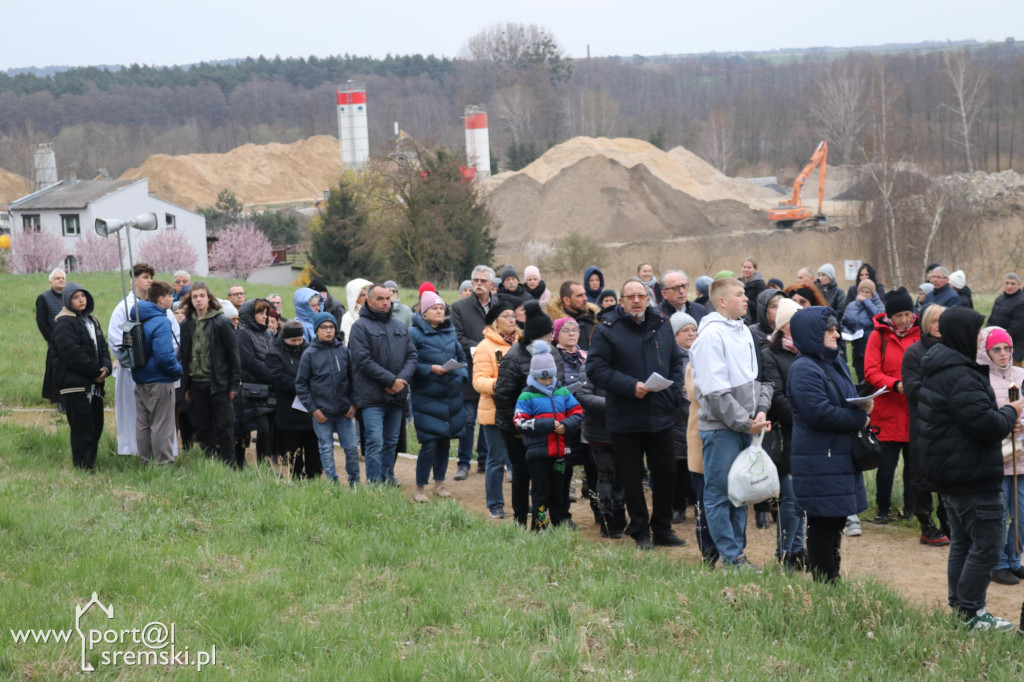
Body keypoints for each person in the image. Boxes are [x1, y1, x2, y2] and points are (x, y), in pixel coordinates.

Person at [918, 306, 1022, 631]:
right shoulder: (961, 375)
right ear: (963, 334)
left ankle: (961, 608)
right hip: (972, 474)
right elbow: (985, 425)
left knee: (963, 544)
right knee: (988, 547)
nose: (981, 338)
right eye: (977, 332)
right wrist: (1010, 412)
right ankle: (971, 613)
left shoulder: (944, 367)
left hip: (953, 474)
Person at [587, 279, 687, 549]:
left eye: (641, 295)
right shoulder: (607, 329)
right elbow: (595, 369)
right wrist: (630, 387)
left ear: (648, 298)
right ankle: (640, 530)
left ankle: (663, 528)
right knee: (631, 479)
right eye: (630, 296)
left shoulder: (662, 323)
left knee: (666, 474)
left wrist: (674, 393)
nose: (636, 301)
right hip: (626, 416)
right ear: (621, 301)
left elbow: (676, 362)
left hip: (661, 414)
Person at [690, 277, 773, 567]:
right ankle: (730, 556)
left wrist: (761, 410)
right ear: (722, 301)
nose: (746, 298)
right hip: (722, 429)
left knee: (741, 493)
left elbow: (758, 378)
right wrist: (743, 422)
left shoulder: (744, 332)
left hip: (745, 426)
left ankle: (738, 552)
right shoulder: (711, 336)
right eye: (739, 295)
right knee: (719, 494)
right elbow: (714, 393)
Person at [786, 306, 872, 583]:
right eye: (830, 329)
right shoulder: (804, 369)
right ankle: (825, 584)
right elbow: (819, 412)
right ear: (813, 334)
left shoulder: (833, 362)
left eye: (836, 328)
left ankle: (831, 578)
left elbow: (845, 397)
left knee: (834, 521)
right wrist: (859, 418)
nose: (837, 333)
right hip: (818, 459)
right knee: (823, 523)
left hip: (835, 456)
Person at [493, 301, 564, 527]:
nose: (552, 338)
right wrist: (518, 429)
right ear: (534, 337)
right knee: (522, 474)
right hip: (517, 428)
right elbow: (503, 397)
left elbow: (560, 390)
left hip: (547, 427)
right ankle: (521, 519)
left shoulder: (554, 354)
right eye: (547, 335)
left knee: (547, 477)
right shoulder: (514, 357)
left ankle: (547, 520)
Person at [348, 283, 418, 485]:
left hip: (396, 395)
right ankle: (374, 482)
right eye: (380, 299)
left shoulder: (399, 326)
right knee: (374, 442)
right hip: (371, 397)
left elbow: (412, 355)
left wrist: (400, 381)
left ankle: (388, 477)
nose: (386, 302)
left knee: (391, 442)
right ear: (368, 301)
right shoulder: (360, 327)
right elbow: (362, 360)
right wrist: (390, 380)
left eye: (388, 298)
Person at [108, 262, 179, 457]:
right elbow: (116, 340)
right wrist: (136, 358)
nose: (149, 281)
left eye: (151, 277)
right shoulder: (124, 308)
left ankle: (154, 457)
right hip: (134, 371)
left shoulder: (165, 310)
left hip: (156, 371)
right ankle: (139, 453)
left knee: (159, 420)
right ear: (134, 282)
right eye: (145, 277)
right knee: (140, 418)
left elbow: (175, 338)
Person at [864, 287, 921, 526]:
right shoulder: (878, 336)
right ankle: (883, 509)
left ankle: (911, 508)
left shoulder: (920, 336)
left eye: (908, 314)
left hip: (914, 411)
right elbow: (871, 371)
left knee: (913, 466)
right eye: (899, 316)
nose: (904, 319)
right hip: (887, 410)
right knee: (886, 466)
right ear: (890, 316)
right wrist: (894, 384)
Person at [514, 341, 584, 530]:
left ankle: (560, 522)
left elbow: (577, 413)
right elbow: (519, 422)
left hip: (560, 451)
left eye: (550, 377)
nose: (547, 381)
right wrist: (547, 425)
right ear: (534, 376)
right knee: (540, 491)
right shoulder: (526, 396)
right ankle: (540, 525)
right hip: (538, 453)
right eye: (542, 378)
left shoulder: (562, 392)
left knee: (559, 490)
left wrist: (566, 425)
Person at [761, 298, 809, 569]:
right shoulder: (770, 354)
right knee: (790, 496)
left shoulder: (808, 350)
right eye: (795, 321)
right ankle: (785, 553)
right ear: (784, 326)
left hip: (807, 432)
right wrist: (805, 417)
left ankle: (799, 550)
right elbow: (776, 396)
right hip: (787, 432)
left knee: (802, 497)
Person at [975, 327, 1024, 586]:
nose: (1003, 353)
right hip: (997, 457)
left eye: (1006, 348)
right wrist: (1005, 423)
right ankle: (999, 563)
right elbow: (981, 415)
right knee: (1000, 511)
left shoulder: (1021, 375)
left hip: (1022, 456)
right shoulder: (982, 378)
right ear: (987, 352)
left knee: (1022, 513)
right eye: (997, 349)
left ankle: (1014, 558)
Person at [409, 291, 468, 501]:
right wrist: (430, 369)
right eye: (434, 308)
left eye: (441, 308)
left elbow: (462, 358)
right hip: (426, 396)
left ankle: (440, 484)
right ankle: (419, 488)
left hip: (450, 395)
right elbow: (410, 363)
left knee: (445, 441)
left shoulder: (450, 332)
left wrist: (460, 375)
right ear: (424, 312)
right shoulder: (413, 334)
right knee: (430, 443)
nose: (439, 311)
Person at [901, 304, 951, 546]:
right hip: (923, 422)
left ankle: (947, 517)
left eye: (943, 320)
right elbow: (912, 387)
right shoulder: (914, 352)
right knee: (921, 474)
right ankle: (925, 522)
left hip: (950, 425)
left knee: (948, 473)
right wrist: (945, 394)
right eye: (935, 321)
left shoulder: (954, 349)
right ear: (926, 324)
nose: (939, 326)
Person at [179, 282, 241, 465]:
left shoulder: (221, 322)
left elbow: (233, 355)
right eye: (195, 297)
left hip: (219, 383)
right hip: (196, 383)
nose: (198, 300)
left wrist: (234, 384)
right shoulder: (187, 324)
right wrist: (186, 385)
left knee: (224, 426)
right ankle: (210, 462)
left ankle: (230, 465)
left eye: (201, 296)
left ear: (209, 298)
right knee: (202, 426)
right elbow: (184, 354)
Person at [51, 283, 112, 470]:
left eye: (83, 296)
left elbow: (102, 346)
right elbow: (72, 354)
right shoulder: (63, 323)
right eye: (76, 297)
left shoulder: (92, 321)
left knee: (96, 425)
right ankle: (83, 466)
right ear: (68, 300)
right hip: (75, 385)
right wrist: (95, 372)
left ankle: (90, 463)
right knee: (82, 428)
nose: (81, 300)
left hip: (94, 384)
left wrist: (106, 368)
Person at [296, 312, 360, 484]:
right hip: (321, 413)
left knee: (352, 448)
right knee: (326, 448)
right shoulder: (309, 353)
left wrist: (353, 404)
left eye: (331, 327)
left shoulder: (344, 351)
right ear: (316, 330)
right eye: (324, 327)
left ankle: (354, 481)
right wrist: (313, 409)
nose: (328, 331)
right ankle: (333, 482)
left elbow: (355, 380)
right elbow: (301, 384)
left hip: (344, 412)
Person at [451, 265, 497, 480]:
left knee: (488, 419)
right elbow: (457, 337)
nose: (477, 284)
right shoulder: (459, 307)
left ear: (491, 285)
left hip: (493, 372)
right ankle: (463, 463)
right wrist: (482, 349)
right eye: (475, 280)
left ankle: (485, 461)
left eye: (482, 280)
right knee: (468, 420)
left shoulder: (500, 306)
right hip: (470, 370)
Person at [472, 301, 517, 518]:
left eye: (514, 316)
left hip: (521, 411)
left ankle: (519, 503)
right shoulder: (485, 347)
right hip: (495, 412)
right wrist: (499, 386)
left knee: (521, 460)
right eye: (507, 316)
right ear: (495, 321)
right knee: (497, 459)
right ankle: (495, 504)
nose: (512, 320)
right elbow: (478, 380)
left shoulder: (522, 344)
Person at [130, 281, 183, 465]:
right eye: (170, 296)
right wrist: (178, 371)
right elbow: (164, 356)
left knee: (143, 424)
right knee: (162, 424)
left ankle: (146, 463)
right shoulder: (161, 321)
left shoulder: (137, 318)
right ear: (161, 300)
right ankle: (163, 465)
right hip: (160, 380)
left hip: (140, 377)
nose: (172, 299)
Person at [553, 315, 599, 526]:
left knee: (594, 468)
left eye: (575, 330)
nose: (572, 333)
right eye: (566, 330)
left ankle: (601, 513)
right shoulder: (554, 357)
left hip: (589, 418)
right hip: (566, 421)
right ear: (557, 335)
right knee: (565, 471)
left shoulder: (586, 355)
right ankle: (563, 516)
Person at [266, 320, 322, 480]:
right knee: (293, 446)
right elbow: (278, 379)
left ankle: (315, 475)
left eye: (299, 340)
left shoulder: (309, 350)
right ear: (285, 338)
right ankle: (296, 475)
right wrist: (302, 386)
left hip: (309, 408)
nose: (297, 343)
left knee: (312, 443)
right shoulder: (274, 354)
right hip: (288, 408)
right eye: (293, 341)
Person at [235, 299, 276, 465]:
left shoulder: (267, 333)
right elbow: (249, 361)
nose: (265, 316)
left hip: (269, 388)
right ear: (250, 314)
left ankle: (264, 467)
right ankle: (242, 464)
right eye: (261, 312)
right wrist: (271, 374)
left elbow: (273, 357)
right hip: (250, 389)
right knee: (259, 429)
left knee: (269, 431)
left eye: (266, 313)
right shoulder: (242, 333)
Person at [670, 311, 698, 525]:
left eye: (693, 330)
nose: (691, 334)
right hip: (677, 417)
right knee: (678, 465)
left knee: (698, 464)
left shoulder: (702, 353)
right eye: (685, 331)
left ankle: (698, 504)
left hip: (698, 415)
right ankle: (677, 506)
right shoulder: (671, 357)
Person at [841, 278, 885, 383]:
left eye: (867, 292)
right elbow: (843, 323)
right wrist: (848, 333)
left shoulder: (879, 305)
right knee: (861, 379)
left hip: (873, 348)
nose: (864, 294)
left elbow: (879, 318)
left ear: (873, 294)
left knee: (873, 379)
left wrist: (866, 302)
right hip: (857, 349)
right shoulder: (851, 306)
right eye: (862, 291)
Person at [36, 267, 66, 405]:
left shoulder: (70, 296)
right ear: (50, 282)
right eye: (57, 278)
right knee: (55, 370)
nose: (61, 280)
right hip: (54, 342)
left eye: (63, 278)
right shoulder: (43, 298)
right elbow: (42, 323)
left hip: (71, 341)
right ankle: (57, 399)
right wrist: (52, 340)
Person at [545, 281, 600, 351]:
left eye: (584, 294)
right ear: (566, 300)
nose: (585, 298)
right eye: (579, 295)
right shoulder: (554, 327)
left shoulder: (595, 319)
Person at [988, 274, 1024, 368]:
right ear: (1003, 284)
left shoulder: (1021, 302)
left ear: (1019, 285)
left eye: (1013, 283)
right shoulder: (999, 299)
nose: (1009, 286)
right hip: (995, 345)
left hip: (1014, 349)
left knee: (1014, 379)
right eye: (1007, 283)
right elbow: (991, 320)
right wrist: (988, 333)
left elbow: (1017, 329)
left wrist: (997, 338)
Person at [341, 278, 373, 345]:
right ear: (354, 298)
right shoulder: (348, 318)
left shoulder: (376, 314)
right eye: (363, 295)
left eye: (368, 295)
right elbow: (347, 343)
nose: (366, 298)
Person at [740, 257, 766, 324]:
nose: (746, 269)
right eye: (744, 267)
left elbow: (759, 306)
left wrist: (742, 299)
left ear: (755, 270)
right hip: (739, 319)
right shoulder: (738, 282)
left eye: (749, 268)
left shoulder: (760, 284)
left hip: (754, 321)